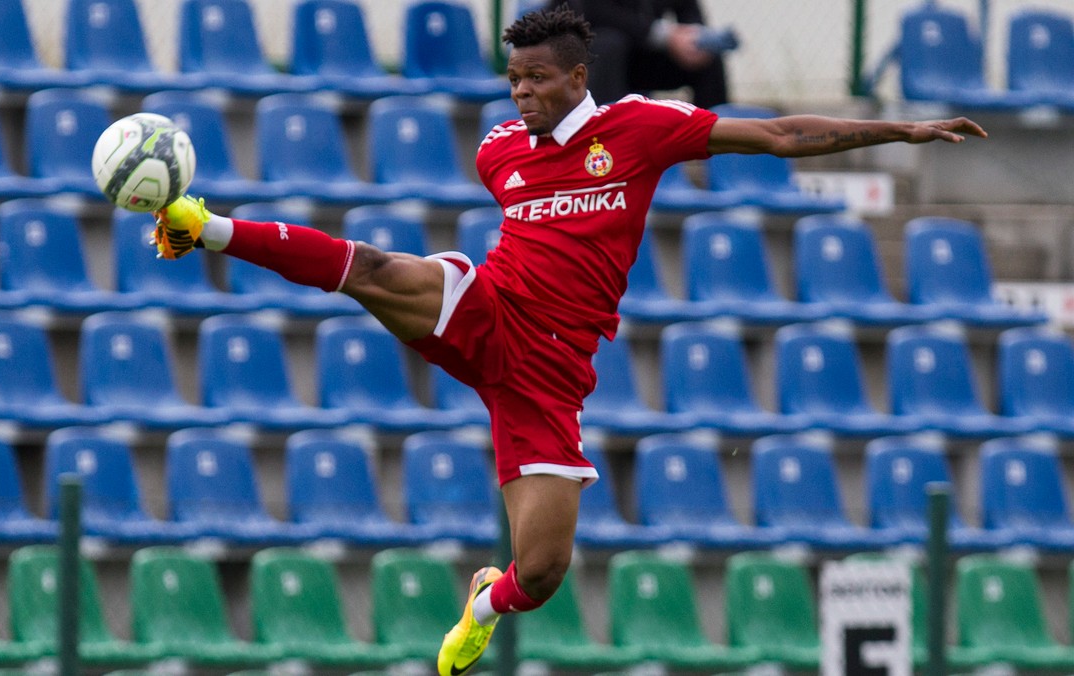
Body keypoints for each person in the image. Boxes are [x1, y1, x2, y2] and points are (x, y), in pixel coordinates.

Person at [149, 7, 985, 675]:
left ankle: (481, 607)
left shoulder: (639, 128)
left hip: (548, 376)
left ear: (577, 77)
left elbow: (778, 137)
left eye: (537, 79)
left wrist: (899, 132)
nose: (521, 94)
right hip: (488, 309)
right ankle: (205, 223)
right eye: (512, 79)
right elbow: (488, 204)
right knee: (374, 266)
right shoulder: (499, 154)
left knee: (540, 573)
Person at [555, 0, 733, 107]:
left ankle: (716, 144)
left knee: (708, 56)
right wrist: (665, 35)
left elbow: (688, 11)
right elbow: (595, 13)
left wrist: (694, 39)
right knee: (610, 44)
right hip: (584, 59)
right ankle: (602, 137)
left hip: (636, 57)